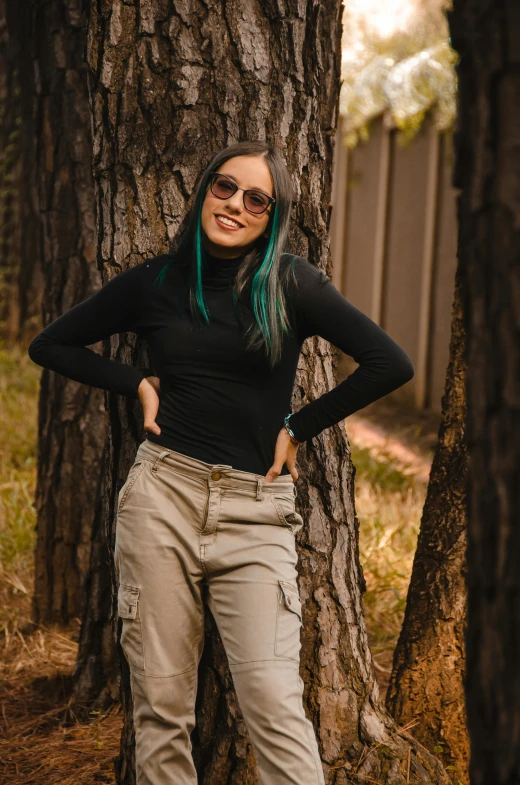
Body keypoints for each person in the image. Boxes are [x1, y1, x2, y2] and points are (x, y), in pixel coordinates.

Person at [28, 140, 414, 785]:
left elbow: (389, 364)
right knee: (161, 708)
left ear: (273, 214)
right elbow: (52, 344)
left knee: (273, 703)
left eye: (256, 199)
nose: (235, 205)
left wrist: (300, 425)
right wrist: (138, 383)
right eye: (224, 187)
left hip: (254, 513)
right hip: (163, 500)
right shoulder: (155, 282)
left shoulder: (291, 283)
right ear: (206, 189)